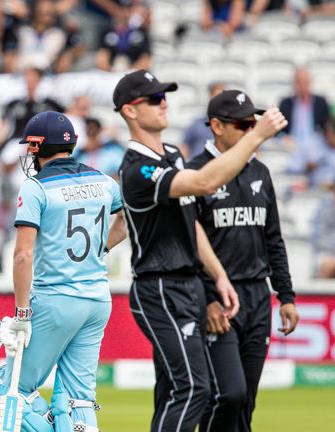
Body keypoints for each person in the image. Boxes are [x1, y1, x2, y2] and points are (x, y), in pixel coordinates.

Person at [113, 69, 287, 431]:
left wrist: (218, 275)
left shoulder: (173, 154)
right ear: (130, 111)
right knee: (195, 389)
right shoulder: (137, 168)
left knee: (188, 391)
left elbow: (190, 223)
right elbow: (206, 181)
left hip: (189, 283)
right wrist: (256, 135)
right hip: (160, 286)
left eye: (165, 97)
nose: (164, 104)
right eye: (154, 99)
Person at [0, 111, 128, 432]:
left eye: (31, 146)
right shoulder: (103, 181)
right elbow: (127, 223)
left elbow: (23, 254)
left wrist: (22, 311)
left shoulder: (36, 188)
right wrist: (101, 249)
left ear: (39, 146)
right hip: (97, 300)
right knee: (78, 399)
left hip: (56, 301)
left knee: (12, 390)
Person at [187, 90, 300, 431]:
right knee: (228, 394)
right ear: (217, 126)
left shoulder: (260, 173)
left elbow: (273, 240)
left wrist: (287, 296)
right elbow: (189, 246)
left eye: (255, 123)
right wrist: (206, 300)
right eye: (243, 124)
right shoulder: (195, 173)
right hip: (218, 300)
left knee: (246, 401)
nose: (252, 130)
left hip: (257, 297)